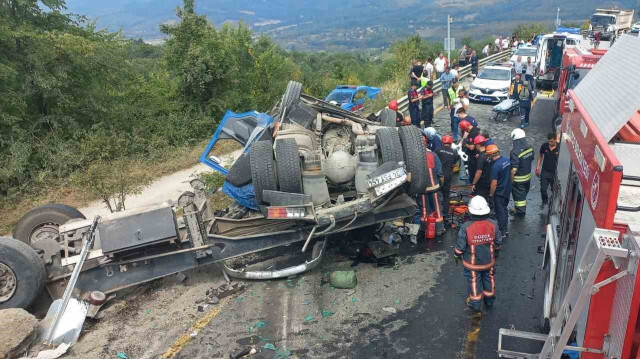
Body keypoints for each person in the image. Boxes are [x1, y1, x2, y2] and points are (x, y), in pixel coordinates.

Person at [454, 196, 502, 312]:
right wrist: (496, 252)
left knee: (474, 282)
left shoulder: (466, 227)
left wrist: (456, 255)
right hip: (488, 262)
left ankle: (475, 303)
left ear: (471, 211)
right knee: (489, 279)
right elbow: (498, 242)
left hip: (472, 265)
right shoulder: (493, 224)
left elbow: (460, 247)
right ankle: (489, 301)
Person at [419, 143, 446, 236]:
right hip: (434, 187)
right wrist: (441, 183)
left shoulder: (415, 157)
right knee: (437, 208)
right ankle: (439, 229)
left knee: (424, 209)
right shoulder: (433, 155)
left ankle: (424, 228)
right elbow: (439, 172)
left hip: (422, 188)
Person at [487, 144, 511, 240]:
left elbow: (494, 183)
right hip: (507, 189)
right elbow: (512, 172)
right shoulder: (507, 160)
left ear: (491, 155)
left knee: (500, 211)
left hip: (499, 192)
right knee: (505, 209)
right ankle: (505, 227)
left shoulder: (495, 167)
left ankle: (502, 231)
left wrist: (491, 195)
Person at [510, 128, 534, 216]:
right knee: (523, 194)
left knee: (519, 197)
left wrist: (511, 180)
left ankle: (520, 211)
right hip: (527, 177)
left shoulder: (514, 152)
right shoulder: (530, 147)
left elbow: (514, 169)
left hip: (518, 179)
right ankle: (519, 208)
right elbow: (531, 158)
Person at [436, 135, 459, 216]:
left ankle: (436, 211)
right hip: (448, 175)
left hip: (438, 175)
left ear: (443, 142)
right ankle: (445, 212)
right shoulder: (454, 152)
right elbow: (454, 164)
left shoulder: (438, 150)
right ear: (451, 143)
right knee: (446, 194)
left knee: (436, 193)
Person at [536, 133, 559, 208]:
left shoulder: (559, 147)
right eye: (549, 141)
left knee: (554, 190)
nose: (550, 143)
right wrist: (537, 168)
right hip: (545, 171)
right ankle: (545, 202)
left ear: (555, 140)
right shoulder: (544, 146)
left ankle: (553, 202)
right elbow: (540, 156)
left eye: (551, 141)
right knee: (543, 189)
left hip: (554, 173)